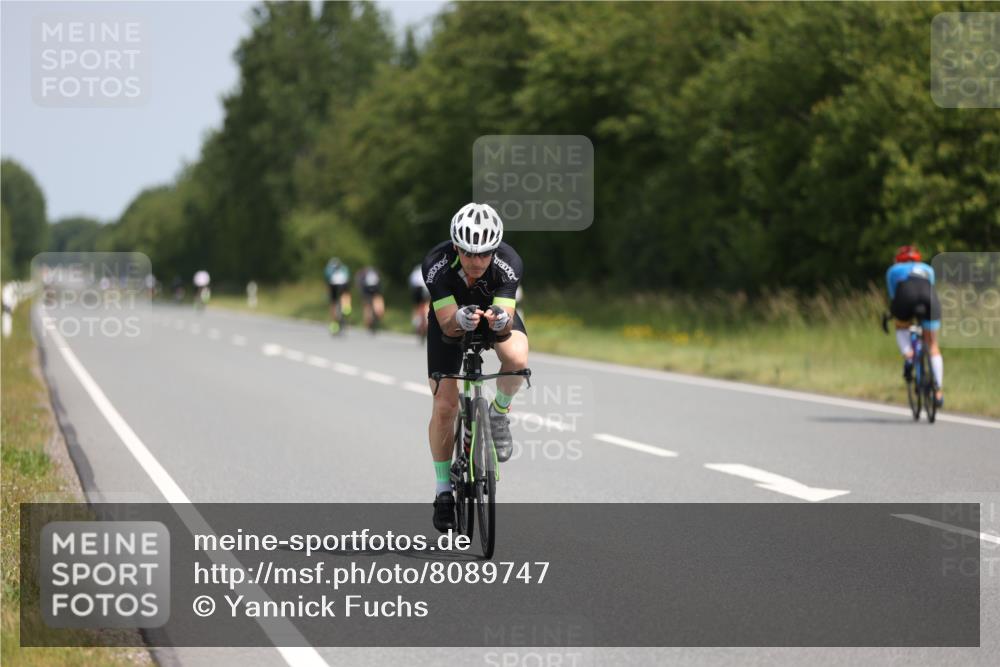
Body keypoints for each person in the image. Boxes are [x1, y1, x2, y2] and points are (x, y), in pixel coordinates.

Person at [421, 202, 528, 532]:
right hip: (451, 319)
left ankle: (498, 413)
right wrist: (459, 319)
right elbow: (447, 325)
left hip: (493, 318)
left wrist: (498, 321)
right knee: (444, 406)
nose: (476, 261)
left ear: (494, 250)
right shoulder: (436, 265)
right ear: (456, 246)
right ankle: (442, 491)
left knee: (518, 360)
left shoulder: (509, 263)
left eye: (484, 254)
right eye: (469, 253)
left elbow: (507, 320)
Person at [886, 245, 944, 407]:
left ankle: (909, 355)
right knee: (933, 346)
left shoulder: (894, 270)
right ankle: (938, 392)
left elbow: (894, 296)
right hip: (929, 301)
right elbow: (930, 287)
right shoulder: (927, 269)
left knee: (901, 326)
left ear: (899, 259)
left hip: (905, 299)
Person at [324, 258, 351, 334]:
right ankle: (346, 307)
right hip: (343, 285)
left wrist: (328, 293)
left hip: (333, 285)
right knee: (345, 294)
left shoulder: (328, 269)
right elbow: (348, 278)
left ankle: (334, 323)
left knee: (333, 303)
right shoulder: (344, 268)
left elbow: (327, 281)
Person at [355, 266, 385, 333]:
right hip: (376, 291)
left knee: (367, 307)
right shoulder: (375, 273)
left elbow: (360, 285)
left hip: (366, 292)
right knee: (377, 306)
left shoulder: (362, 274)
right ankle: (375, 319)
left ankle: (368, 322)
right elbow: (380, 284)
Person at [408, 263, 431, 340]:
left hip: (416, 289)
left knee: (417, 306)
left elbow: (411, 282)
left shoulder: (416, 270)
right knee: (426, 304)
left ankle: (416, 322)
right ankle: (426, 320)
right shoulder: (429, 267)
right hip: (425, 289)